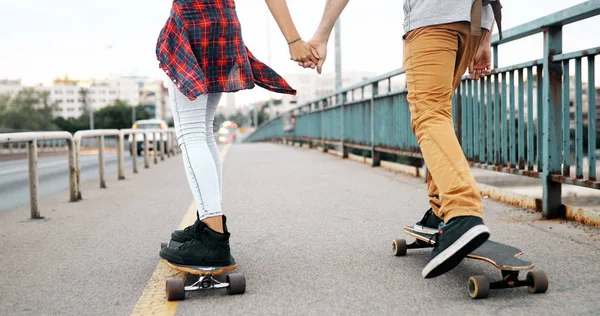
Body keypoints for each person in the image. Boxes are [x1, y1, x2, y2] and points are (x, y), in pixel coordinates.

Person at [300, 0, 498, 279]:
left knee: (429, 115)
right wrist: (485, 35)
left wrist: (320, 36)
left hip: (433, 20)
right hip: (472, 24)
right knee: (439, 114)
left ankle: (462, 212)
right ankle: (441, 209)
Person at [157, 0, 319, 266]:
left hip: (193, 19)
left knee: (191, 133)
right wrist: (294, 40)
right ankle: (208, 222)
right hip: (224, 25)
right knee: (204, 130)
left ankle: (212, 238)